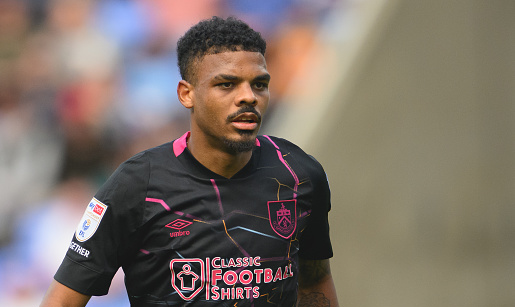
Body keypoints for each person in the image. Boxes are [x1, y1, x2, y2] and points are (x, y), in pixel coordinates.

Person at [40, 16, 339, 306]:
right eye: (227, 84)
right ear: (187, 94)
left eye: (259, 84)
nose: (248, 97)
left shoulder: (300, 174)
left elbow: (314, 283)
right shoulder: (136, 185)